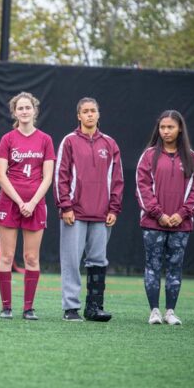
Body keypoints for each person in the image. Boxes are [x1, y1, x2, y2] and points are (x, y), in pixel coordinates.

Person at [55, 97, 123, 322]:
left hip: (102, 214)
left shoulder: (110, 144)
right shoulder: (69, 141)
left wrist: (114, 207)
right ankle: (71, 308)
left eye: (93, 110)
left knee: (98, 260)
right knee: (71, 261)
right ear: (79, 116)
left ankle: (94, 307)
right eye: (85, 111)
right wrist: (65, 206)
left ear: (98, 114)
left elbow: (117, 179)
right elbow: (61, 176)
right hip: (75, 213)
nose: (90, 114)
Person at [135, 110, 194, 325]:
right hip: (153, 223)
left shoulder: (193, 159)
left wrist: (181, 214)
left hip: (181, 225)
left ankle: (170, 311)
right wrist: (159, 214)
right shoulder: (148, 156)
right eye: (162, 127)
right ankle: (154, 311)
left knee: (175, 268)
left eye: (170, 127)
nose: (166, 131)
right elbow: (142, 187)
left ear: (180, 128)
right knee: (152, 266)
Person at [0, 92, 55, 320]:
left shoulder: (45, 140)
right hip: (10, 203)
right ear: (15, 112)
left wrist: (32, 202)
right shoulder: (7, 139)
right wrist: (20, 202)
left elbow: (47, 177)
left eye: (28, 107)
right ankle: (6, 307)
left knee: (31, 257)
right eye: (20, 108)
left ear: (34, 110)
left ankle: (28, 308)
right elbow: (0, 175)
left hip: (35, 204)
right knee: (7, 257)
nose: (24, 111)